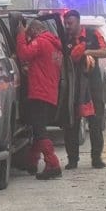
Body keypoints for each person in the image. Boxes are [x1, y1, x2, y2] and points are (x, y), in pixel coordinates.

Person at [58, 9, 106, 169]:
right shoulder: (63, 38)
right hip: (72, 85)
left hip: (92, 85)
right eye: (66, 23)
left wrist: (87, 52)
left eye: (70, 23)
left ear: (78, 22)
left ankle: (96, 158)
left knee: (95, 122)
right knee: (71, 123)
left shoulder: (92, 35)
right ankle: (72, 160)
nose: (67, 26)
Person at [14, 18, 64, 180]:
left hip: (39, 94)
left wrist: (21, 34)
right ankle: (31, 162)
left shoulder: (41, 42)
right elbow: (43, 66)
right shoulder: (55, 45)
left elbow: (23, 54)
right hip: (50, 93)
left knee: (40, 131)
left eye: (30, 35)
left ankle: (53, 164)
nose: (30, 39)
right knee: (37, 129)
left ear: (34, 31)